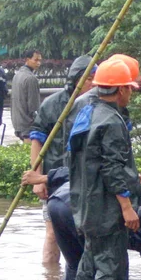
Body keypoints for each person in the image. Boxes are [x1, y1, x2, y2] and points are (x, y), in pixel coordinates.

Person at [21, 167, 141, 280]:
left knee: (74, 265)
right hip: (78, 210)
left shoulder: (133, 194)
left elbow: (80, 168)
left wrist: (46, 177)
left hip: (56, 202)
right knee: (100, 275)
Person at [68, 58, 141, 280]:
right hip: (106, 207)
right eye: (129, 87)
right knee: (110, 270)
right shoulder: (111, 121)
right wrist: (127, 207)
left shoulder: (86, 113)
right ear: (121, 89)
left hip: (85, 204)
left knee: (89, 262)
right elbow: (112, 168)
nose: (130, 93)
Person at [28, 56, 97, 265]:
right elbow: (37, 140)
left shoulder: (99, 104)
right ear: (77, 79)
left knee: (87, 232)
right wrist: (39, 178)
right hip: (54, 178)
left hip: (86, 180)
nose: (94, 84)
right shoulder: (53, 105)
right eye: (90, 79)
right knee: (53, 233)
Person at [11, 49, 42, 141]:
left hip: (17, 122)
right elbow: (34, 107)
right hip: (28, 126)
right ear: (27, 59)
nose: (38, 63)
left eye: (40, 60)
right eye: (36, 60)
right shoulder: (31, 78)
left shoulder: (17, 75)